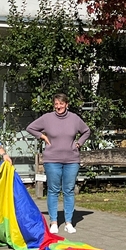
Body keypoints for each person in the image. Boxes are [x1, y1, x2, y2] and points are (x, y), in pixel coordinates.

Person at [26, 93, 91, 234]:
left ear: (67, 104)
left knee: (68, 190)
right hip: (52, 160)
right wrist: (42, 136)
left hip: (71, 160)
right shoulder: (47, 118)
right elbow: (30, 128)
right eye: (56, 104)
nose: (58, 106)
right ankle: (54, 222)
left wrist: (79, 143)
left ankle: (68, 222)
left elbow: (86, 131)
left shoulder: (74, 118)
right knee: (53, 190)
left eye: (61, 104)